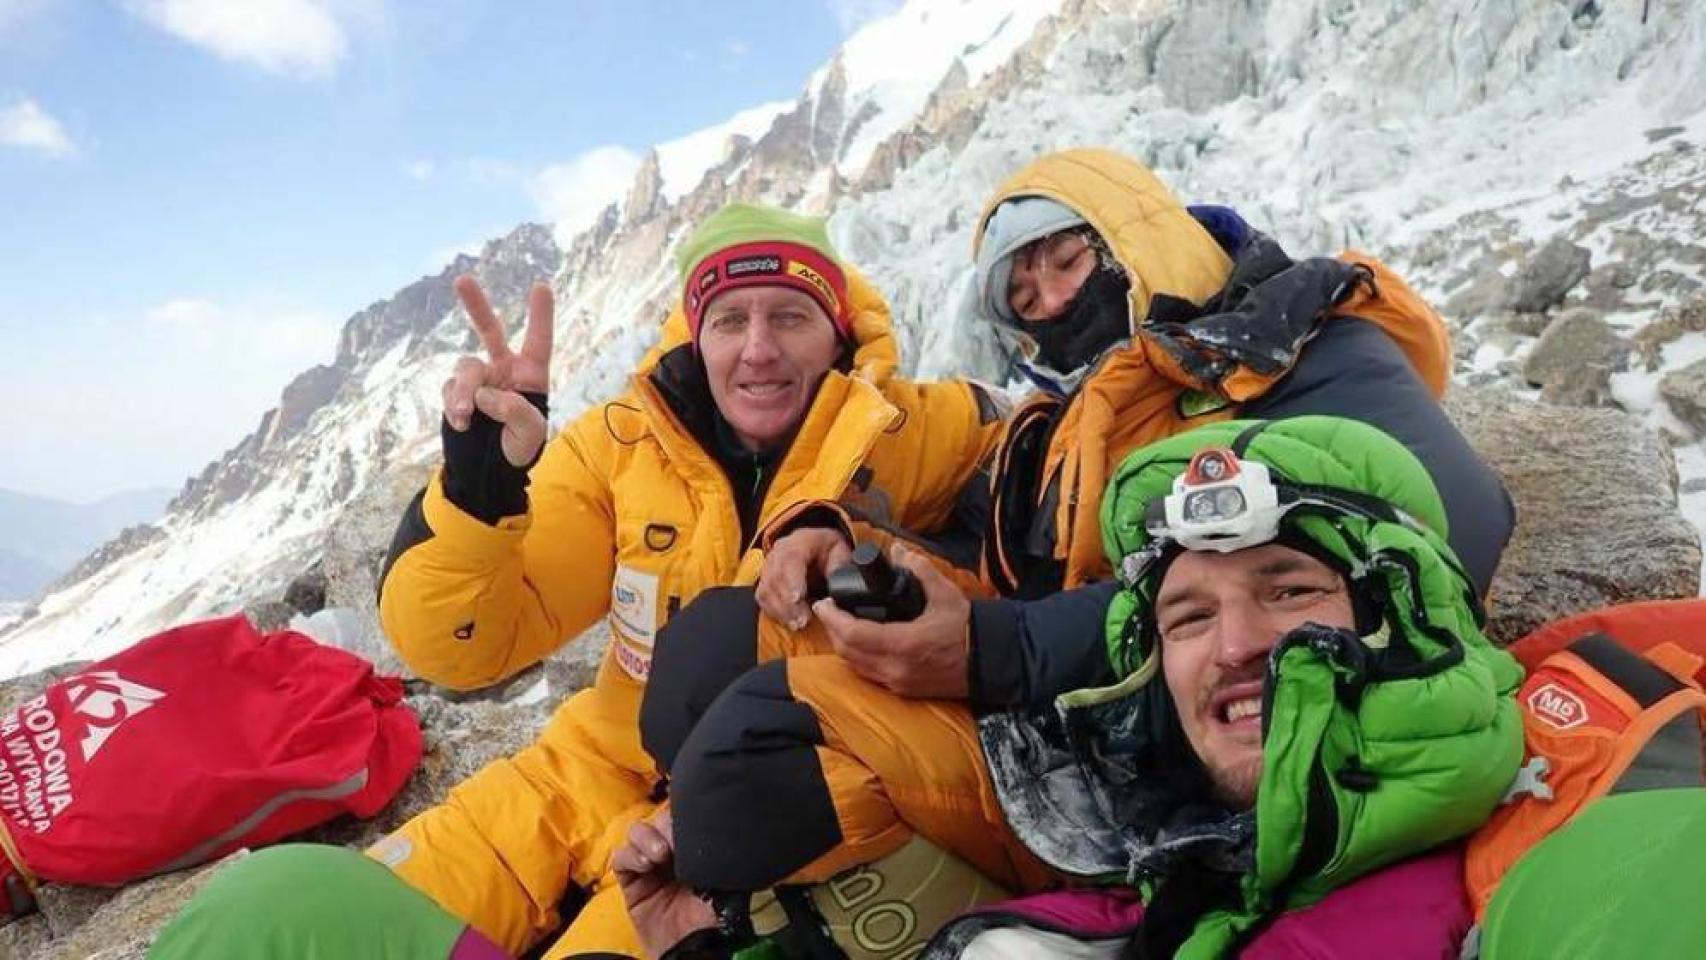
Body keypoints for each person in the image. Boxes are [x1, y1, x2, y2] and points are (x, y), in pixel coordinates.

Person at [635, 149, 1515, 936]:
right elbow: (977, 547)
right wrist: (836, 536)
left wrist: (995, 651)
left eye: (1068, 259)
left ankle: (957, 917)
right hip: (1064, 713)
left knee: (742, 774)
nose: (1053, 300)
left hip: (1173, 740)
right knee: (706, 653)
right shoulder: (1062, 425)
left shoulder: (1301, 343)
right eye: (1024, 295)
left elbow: (1451, 523)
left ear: (1141, 234)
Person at [624, 416, 1526, 958]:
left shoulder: (1540, 842)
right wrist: (695, 944)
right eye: (1187, 618)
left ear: (1401, 608)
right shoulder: (1144, 888)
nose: (1239, 644)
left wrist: (993, 645)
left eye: (1289, 590)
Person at [368, 202, 1007, 958]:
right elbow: (462, 648)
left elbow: (1049, 528)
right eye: (730, 319)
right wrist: (480, 487)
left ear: (837, 331)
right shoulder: (620, 445)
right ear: (696, 335)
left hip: (730, 826)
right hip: (582, 773)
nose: (758, 349)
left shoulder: (924, 431)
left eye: (791, 317)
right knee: (350, 921)